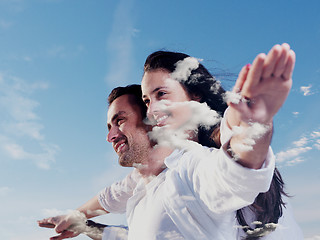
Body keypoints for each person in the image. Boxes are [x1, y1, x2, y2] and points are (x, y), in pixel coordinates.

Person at [138, 43, 302, 239]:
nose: (151, 111)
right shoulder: (176, 165)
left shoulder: (193, 164)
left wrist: (251, 129)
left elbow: (229, 172)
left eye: (161, 94)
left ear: (195, 93)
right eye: (147, 100)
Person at [38, 85, 169, 240]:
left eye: (120, 120)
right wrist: (83, 224)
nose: (110, 137)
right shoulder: (142, 182)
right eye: (109, 127)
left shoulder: (188, 174)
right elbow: (112, 198)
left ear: (152, 120)